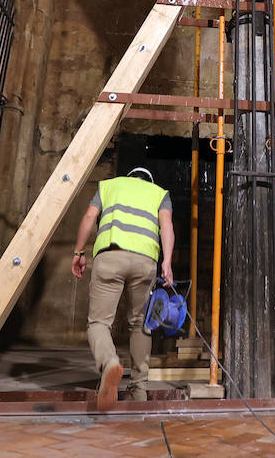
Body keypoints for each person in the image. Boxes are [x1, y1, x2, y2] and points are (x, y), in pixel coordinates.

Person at [71, 166, 174, 402]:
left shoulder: (109, 186)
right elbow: (167, 227)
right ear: (149, 180)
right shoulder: (160, 193)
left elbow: (89, 217)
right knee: (140, 325)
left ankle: (109, 363)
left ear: (129, 177)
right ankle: (138, 390)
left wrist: (78, 251)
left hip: (110, 256)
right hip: (145, 262)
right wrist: (166, 263)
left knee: (99, 322)